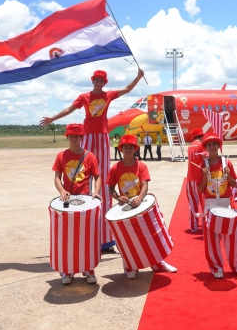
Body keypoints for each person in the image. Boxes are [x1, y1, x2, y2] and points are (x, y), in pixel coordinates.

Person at [41, 68, 144, 251]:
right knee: (85, 176)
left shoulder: (108, 95)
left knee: (103, 178)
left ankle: (106, 239)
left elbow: (127, 89)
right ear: (92, 81)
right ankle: (86, 233)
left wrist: (138, 76)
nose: (98, 83)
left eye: (101, 81)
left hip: (102, 136)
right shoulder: (84, 97)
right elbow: (70, 108)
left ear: (104, 83)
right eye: (96, 80)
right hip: (87, 136)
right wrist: (53, 118)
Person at [106, 135, 177, 278]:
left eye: (131, 147)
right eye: (125, 147)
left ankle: (157, 263)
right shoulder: (115, 168)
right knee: (128, 238)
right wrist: (118, 197)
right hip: (125, 208)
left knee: (149, 235)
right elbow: (111, 188)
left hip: (141, 206)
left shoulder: (141, 166)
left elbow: (145, 185)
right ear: (121, 149)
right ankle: (131, 266)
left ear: (135, 149)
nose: (128, 149)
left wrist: (139, 198)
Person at [52, 123, 102, 285]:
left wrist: (96, 192)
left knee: (87, 236)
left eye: (77, 136)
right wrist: (61, 190)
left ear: (81, 138)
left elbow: (97, 176)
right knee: (68, 237)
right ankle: (68, 269)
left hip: (85, 200)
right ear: (67, 137)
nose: (74, 139)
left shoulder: (90, 156)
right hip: (67, 201)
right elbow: (57, 177)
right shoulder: (61, 155)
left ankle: (89, 269)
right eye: (71, 136)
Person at [197, 133, 237, 279]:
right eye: (209, 145)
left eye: (214, 144)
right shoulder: (202, 165)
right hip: (210, 205)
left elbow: (234, 184)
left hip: (227, 204)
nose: (212, 147)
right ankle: (216, 268)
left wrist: (228, 174)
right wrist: (205, 176)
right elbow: (200, 189)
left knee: (233, 237)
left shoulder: (227, 163)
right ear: (206, 148)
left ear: (219, 146)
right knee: (212, 239)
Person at [185, 128, 205, 232]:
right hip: (200, 179)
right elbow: (206, 160)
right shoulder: (202, 145)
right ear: (202, 136)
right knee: (204, 202)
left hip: (190, 178)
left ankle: (193, 226)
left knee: (192, 203)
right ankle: (206, 224)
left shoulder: (190, 147)